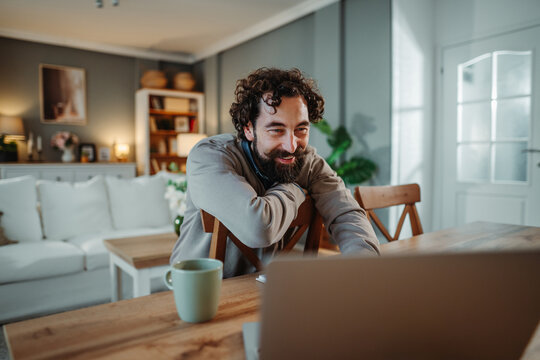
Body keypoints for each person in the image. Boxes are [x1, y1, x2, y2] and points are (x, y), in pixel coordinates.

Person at [170, 67, 379, 278]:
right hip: (193, 292)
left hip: (263, 288)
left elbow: (346, 213)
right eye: (277, 130)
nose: (291, 146)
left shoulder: (307, 161)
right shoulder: (208, 157)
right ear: (248, 129)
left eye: (301, 129)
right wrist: (294, 189)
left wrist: (363, 268)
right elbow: (258, 228)